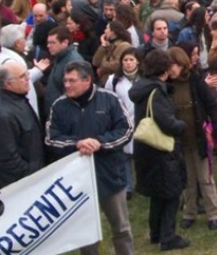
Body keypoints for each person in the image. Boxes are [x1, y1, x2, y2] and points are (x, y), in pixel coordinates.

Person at [46, 59, 134, 255]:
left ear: (87, 81)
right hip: (78, 181)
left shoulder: (109, 99)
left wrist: (99, 143)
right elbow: (52, 139)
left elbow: (126, 129)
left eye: (72, 81)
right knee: (86, 233)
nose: (66, 85)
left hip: (110, 175)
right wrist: (77, 144)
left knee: (121, 228)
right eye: (65, 81)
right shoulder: (59, 106)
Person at [129, 49, 190, 250]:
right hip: (161, 149)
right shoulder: (157, 91)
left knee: (157, 195)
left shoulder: (143, 88)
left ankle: (156, 233)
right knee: (171, 193)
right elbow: (166, 122)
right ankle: (167, 236)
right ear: (164, 68)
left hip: (146, 149)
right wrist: (181, 125)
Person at [168, 46, 217, 231]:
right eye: (169, 66)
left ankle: (213, 214)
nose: (172, 70)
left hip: (199, 138)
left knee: (205, 178)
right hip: (179, 140)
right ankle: (189, 212)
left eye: (174, 65)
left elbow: (212, 105)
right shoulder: (166, 85)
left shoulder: (195, 80)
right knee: (187, 179)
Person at [0, 58, 45, 187]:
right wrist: (31, 175)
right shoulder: (0, 114)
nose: (28, 78)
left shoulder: (18, 99)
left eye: (27, 74)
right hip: (20, 185)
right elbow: (8, 159)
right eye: (22, 76)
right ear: (8, 84)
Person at [105, 48, 141, 199]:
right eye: (125, 60)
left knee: (140, 155)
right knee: (124, 156)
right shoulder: (114, 80)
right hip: (122, 123)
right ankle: (127, 187)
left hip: (141, 122)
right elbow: (108, 99)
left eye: (131, 60)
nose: (128, 63)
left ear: (137, 61)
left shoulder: (144, 78)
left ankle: (142, 183)